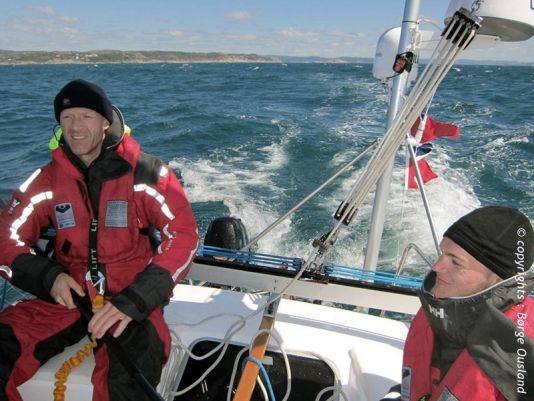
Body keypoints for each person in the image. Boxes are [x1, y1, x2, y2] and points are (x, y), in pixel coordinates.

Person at [0, 79, 199, 401]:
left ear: (106, 123)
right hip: (70, 296)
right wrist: (47, 276)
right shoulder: (47, 180)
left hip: (130, 300)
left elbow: (184, 236)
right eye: (67, 118)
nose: (76, 127)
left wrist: (138, 299)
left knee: (127, 382)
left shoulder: (146, 173)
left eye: (86, 117)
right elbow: (5, 236)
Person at [400, 206, 534, 401]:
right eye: (442, 253)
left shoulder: (519, 351)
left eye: (456, 262)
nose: (437, 267)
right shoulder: (439, 311)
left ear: (498, 278)